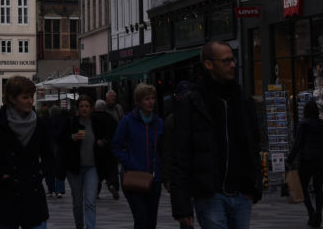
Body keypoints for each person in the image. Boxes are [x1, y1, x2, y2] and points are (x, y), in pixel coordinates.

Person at [170, 41, 262, 229]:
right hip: (209, 193)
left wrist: (254, 186)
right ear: (209, 64)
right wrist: (182, 207)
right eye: (226, 61)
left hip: (242, 192)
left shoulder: (243, 100)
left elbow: (253, 145)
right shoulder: (192, 103)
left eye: (233, 60)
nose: (233, 65)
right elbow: (180, 156)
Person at [0, 75, 53, 229]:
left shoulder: (39, 124)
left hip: (33, 195)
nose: (30, 101)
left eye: (31, 96)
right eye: (25, 97)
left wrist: (40, 172)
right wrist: (0, 174)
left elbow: (49, 156)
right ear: (11, 98)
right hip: (6, 195)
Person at [113, 83, 164, 229]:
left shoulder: (159, 123)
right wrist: (129, 163)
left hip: (154, 179)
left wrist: (161, 171)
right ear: (139, 101)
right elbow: (116, 146)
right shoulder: (128, 122)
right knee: (141, 219)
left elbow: (163, 149)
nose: (151, 102)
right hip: (133, 177)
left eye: (153, 98)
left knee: (151, 221)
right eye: (147, 99)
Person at [60, 94, 115, 229]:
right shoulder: (72, 122)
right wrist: (72, 137)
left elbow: (109, 135)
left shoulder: (96, 123)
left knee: (90, 201)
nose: (84, 109)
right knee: (77, 202)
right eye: (81, 106)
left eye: (87, 106)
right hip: (74, 168)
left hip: (92, 167)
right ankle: (79, 226)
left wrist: (103, 142)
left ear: (91, 108)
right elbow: (61, 140)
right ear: (78, 108)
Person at [286, 99, 323, 228]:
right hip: (321, 160)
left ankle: (311, 212)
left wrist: (289, 159)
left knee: (303, 187)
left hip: (306, 160)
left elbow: (298, 144)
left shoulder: (303, 124)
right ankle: (319, 214)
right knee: (318, 189)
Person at [44, 105, 68, 198]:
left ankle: (50, 189)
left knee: (48, 170)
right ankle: (59, 190)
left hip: (48, 148)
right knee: (59, 170)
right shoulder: (63, 121)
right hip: (59, 148)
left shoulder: (46, 121)